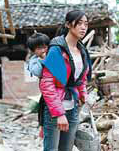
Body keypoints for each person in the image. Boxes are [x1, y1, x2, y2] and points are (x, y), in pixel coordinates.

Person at [39, 10, 92, 151]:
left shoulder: (82, 51)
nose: (83, 27)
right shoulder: (56, 49)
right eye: (79, 23)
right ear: (68, 24)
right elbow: (47, 84)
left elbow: (81, 78)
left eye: (86, 24)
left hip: (72, 107)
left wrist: (83, 95)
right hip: (55, 110)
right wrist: (59, 113)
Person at [27, 32, 50, 138]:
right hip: (46, 93)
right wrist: (43, 61)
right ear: (33, 51)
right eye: (39, 48)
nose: (43, 50)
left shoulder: (53, 56)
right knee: (45, 116)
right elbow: (38, 72)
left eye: (45, 47)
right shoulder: (34, 61)